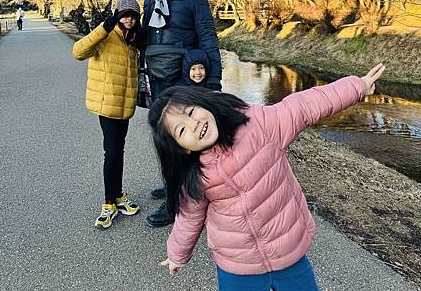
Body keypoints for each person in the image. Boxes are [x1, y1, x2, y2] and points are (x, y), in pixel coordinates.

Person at [148, 63, 386, 290]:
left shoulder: (260, 125)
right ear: (181, 148)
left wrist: (357, 87)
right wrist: (177, 255)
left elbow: (305, 105)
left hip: (287, 251)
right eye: (181, 130)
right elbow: (189, 218)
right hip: (237, 265)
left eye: (191, 112)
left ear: (204, 103)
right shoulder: (195, 174)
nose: (193, 125)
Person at [143, 0, 222, 227]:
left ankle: (178, 199)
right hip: (157, 76)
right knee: (163, 135)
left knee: (184, 137)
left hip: (185, 78)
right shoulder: (151, 0)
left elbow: (207, 36)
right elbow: (145, 39)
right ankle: (172, 183)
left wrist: (213, 79)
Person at [73, 0, 144, 229]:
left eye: (133, 15)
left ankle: (118, 196)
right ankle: (108, 203)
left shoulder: (133, 39)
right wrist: (104, 26)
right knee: (112, 153)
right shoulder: (106, 35)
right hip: (107, 105)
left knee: (118, 151)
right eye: (124, 14)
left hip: (124, 107)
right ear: (116, 15)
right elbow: (78, 51)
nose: (129, 19)